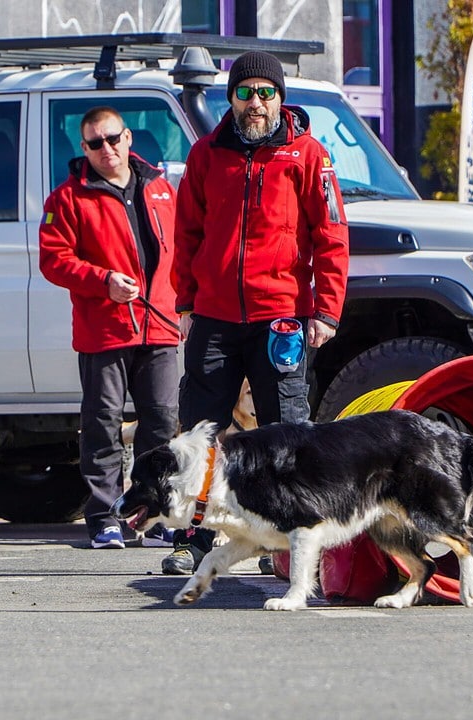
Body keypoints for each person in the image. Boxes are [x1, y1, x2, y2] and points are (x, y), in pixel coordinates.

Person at [164, 51, 350, 575]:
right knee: (200, 433)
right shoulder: (205, 156)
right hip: (215, 319)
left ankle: (289, 548)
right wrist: (185, 302)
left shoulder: (309, 155)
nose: (256, 103)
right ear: (232, 99)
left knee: (287, 435)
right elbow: (187, 236)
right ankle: (193, 540)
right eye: (246, 93)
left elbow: (331, 237)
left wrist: (327, 312)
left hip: (282, 320)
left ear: (280, 99)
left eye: (266, 93)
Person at [39, 106, 181, 549]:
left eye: (113, 138)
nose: (107, 149)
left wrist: (186, 306)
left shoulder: (160, 189)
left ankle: (153, 514)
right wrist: (102, 282)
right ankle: (103, 517)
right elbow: (53, 260)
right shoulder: (67, 198)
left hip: (159, 326)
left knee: (162, 421)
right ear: (84, 148)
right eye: (96, 143)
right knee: (102, 424)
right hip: (105, 329)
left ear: (128, 139)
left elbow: (181, 251)